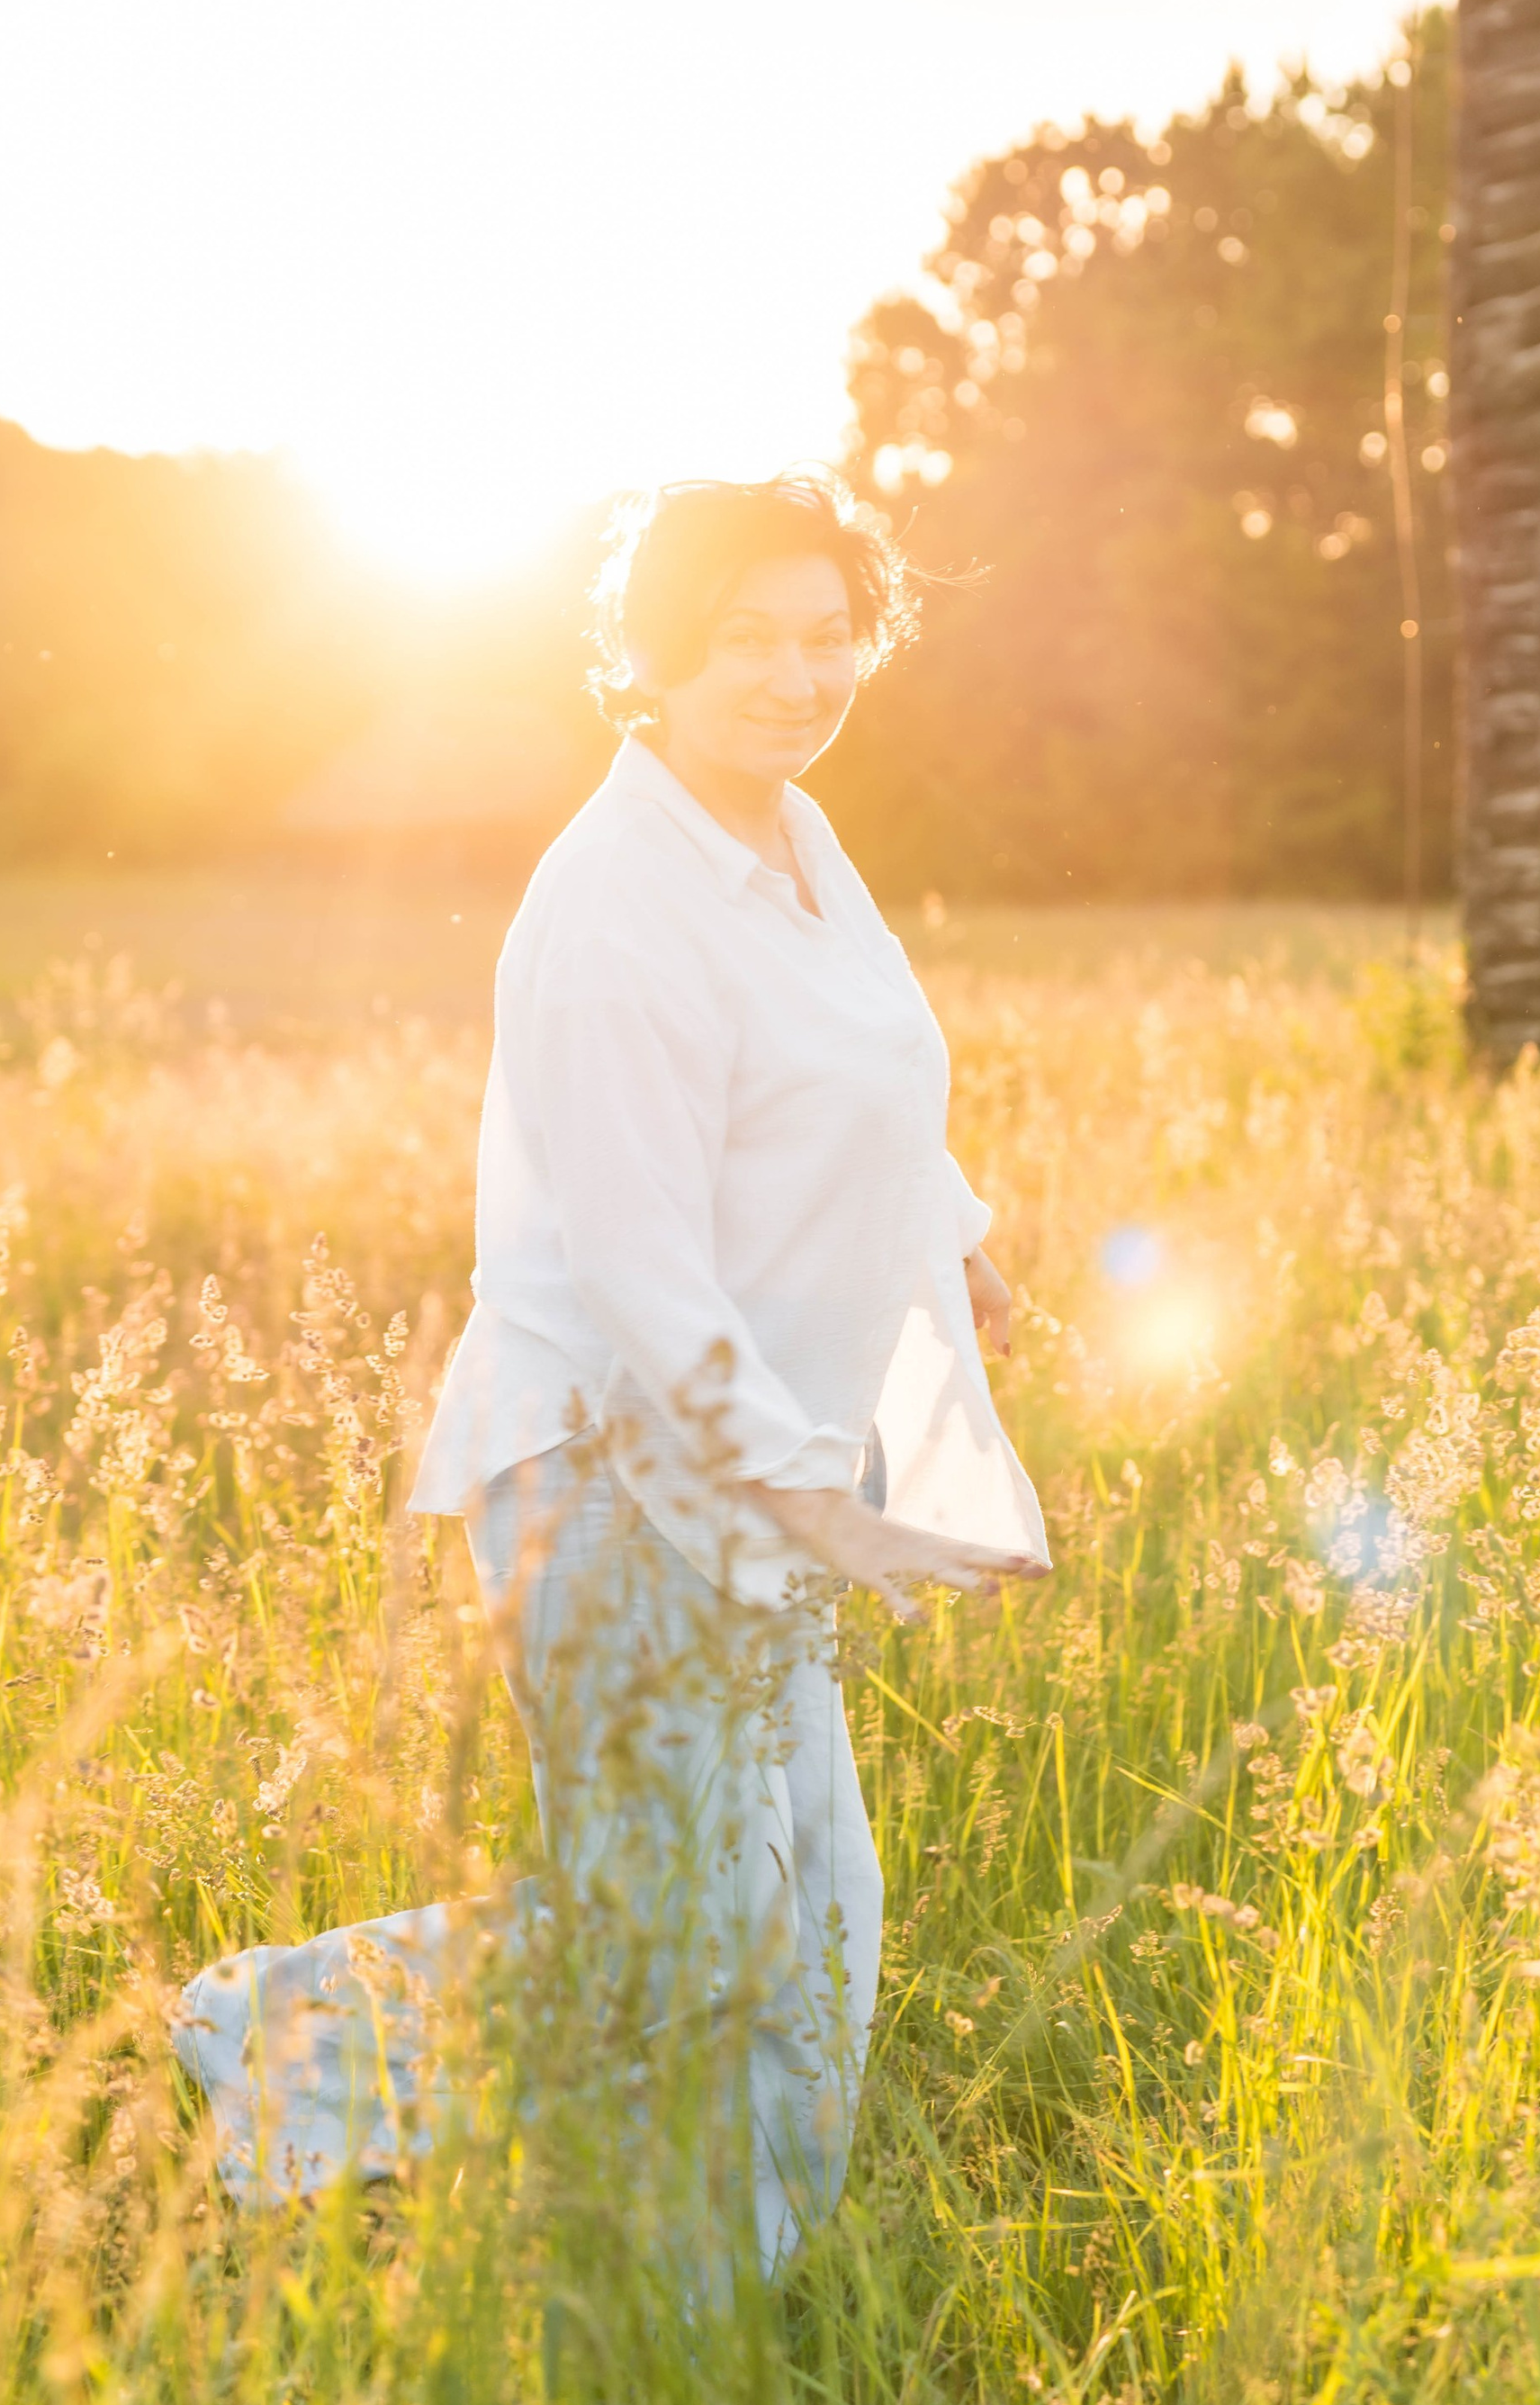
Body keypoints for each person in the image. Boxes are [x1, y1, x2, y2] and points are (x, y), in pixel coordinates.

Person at [173, 471, 1049, 2257]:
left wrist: (954, 1241)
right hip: (605, 1474)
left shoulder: (794, 844)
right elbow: (639, 1263)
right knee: (705, 1938)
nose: (796, 677)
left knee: (800, 1912)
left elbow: (865, 1073)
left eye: (828, 638)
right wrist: (822, 1502)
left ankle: (307, 2056)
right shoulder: (612, 907)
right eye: (748, 641)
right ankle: (696, 2321)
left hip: (747, 1472)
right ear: (651, 658)